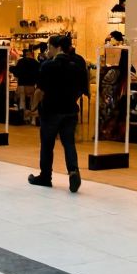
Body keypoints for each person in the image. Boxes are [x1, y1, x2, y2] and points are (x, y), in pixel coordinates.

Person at [28, 34, 88, 192]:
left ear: (58, 48)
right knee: (69, 143)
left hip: (51, 110)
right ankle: (73, 171)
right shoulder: (77, 64)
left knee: (47, 144)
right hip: (70, 109)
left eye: (50, 47)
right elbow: (83, 88)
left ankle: (45, 176)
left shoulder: (48, 66)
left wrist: (32, 108)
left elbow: (39, 91)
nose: (48, 51)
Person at [12, 48, 41, 124]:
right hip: (32, 84)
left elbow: (16, 72)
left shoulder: (21, 61)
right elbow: (39, 73)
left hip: (22, 84)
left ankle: (23, 118)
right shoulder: (35, 62)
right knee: (32, 102)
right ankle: (33, 119)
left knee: (22, 101)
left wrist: (11, 69)